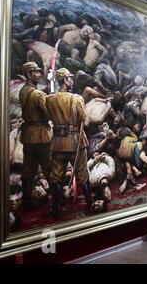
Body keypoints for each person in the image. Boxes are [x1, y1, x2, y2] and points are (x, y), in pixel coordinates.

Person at [45, 68, 93, 217]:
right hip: (75, 142)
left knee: (56, 176)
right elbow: (86, 121)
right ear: (65, 80)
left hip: (58, 143)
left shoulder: (49, 99)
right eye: (70, 78)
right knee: (82, 175)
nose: (72, 81)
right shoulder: (77, 99)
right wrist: (86, 119)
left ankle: (55, 208)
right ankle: (90, 204)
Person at [18, 62, 52, 211]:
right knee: (49, 168)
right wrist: (50, 98)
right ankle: (57, 199)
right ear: (29, 74)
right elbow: (48, 113)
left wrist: (46, 91)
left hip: (28, 135)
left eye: (39, 72)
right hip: (41, 135)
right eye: (36, 72)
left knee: (28, 170)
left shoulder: (23, 90)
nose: (39, 74)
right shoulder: (38, 95)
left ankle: (27, 202)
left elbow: (34, 99)